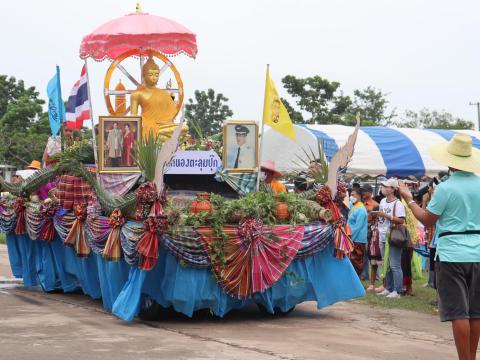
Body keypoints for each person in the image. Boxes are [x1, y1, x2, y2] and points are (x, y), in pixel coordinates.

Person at [398, 134, 480, 360]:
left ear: (451, 161)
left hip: (452, 254)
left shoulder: (446, 188)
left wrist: (409, 199)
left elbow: (427, 219)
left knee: (458, 313)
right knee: (475, 312)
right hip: (478, 252)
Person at [130, 56, 184, 139]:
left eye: (156, 75)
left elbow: (172, 113)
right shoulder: (137, 94)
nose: (154, 77)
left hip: (164, 126)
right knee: (149, 132)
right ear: (144, 75)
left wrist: (166, 122)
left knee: (183, 127)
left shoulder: (163, 93)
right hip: (147, 126)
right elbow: (133, 118)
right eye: (150, 74)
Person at [375, 178, 406, 299]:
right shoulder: (382, 201)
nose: (383, 188)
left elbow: (401, 220)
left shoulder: (398, 203)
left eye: (386, 186)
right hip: (382, 234)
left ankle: (397, 291)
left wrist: (386, 216)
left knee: (395, 265)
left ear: (393, 189)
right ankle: (388, 287)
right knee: (386, 263)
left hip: (393, 237)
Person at [347, 188, 368, 277]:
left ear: (359, 196)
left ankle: (357, 282)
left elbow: (357, 227)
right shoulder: (353, 206)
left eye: (353, 195)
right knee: (351, 261)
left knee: (356, 262)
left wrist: (350, 238)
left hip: (357, 239)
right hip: (352, 237)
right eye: (350, 195)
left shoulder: (361, 209)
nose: (351, 197)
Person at [361, 184, 379, 286]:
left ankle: (373, 276)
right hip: (362, 230)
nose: (363, 193)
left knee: (370, 254)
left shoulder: (375, 205)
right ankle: (364, 274)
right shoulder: (360, 204)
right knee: (363, 253)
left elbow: (376, 221)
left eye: (365, 191)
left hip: (370, 231)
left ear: (370, 193)